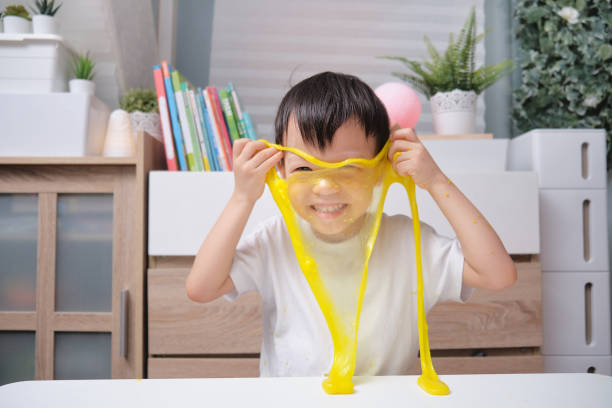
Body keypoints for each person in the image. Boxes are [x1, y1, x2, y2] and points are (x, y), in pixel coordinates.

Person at [186, 71, 517, 377]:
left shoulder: (407, 241)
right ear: (281, 171)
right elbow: (201, 288)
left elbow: (498, 275)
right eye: (305, 169)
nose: (326, 187)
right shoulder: (275, 239)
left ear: (380, 169)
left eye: (349, 168)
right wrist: (242, 198)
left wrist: (436, 181)